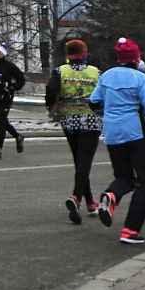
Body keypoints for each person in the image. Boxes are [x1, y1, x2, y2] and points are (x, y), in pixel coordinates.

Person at [90, 36, 145, 246]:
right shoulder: (141, 79)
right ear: (136, 58)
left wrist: (109, 113)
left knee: (124, 176)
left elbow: (94, 102)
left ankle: (112, 195)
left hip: (112, 134)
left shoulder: (107, 76)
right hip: (136, 133)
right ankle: (130, 230)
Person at [46, 38, 102, 223]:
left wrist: (51, 106)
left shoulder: (61, 71)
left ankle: (91, 202)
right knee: (85, 161)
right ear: (84, 54)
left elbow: (51, 89)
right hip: (91, 120)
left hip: (69, 120)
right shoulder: (96, 72)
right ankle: (76, 197)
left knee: (79, 161)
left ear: (68, 55)